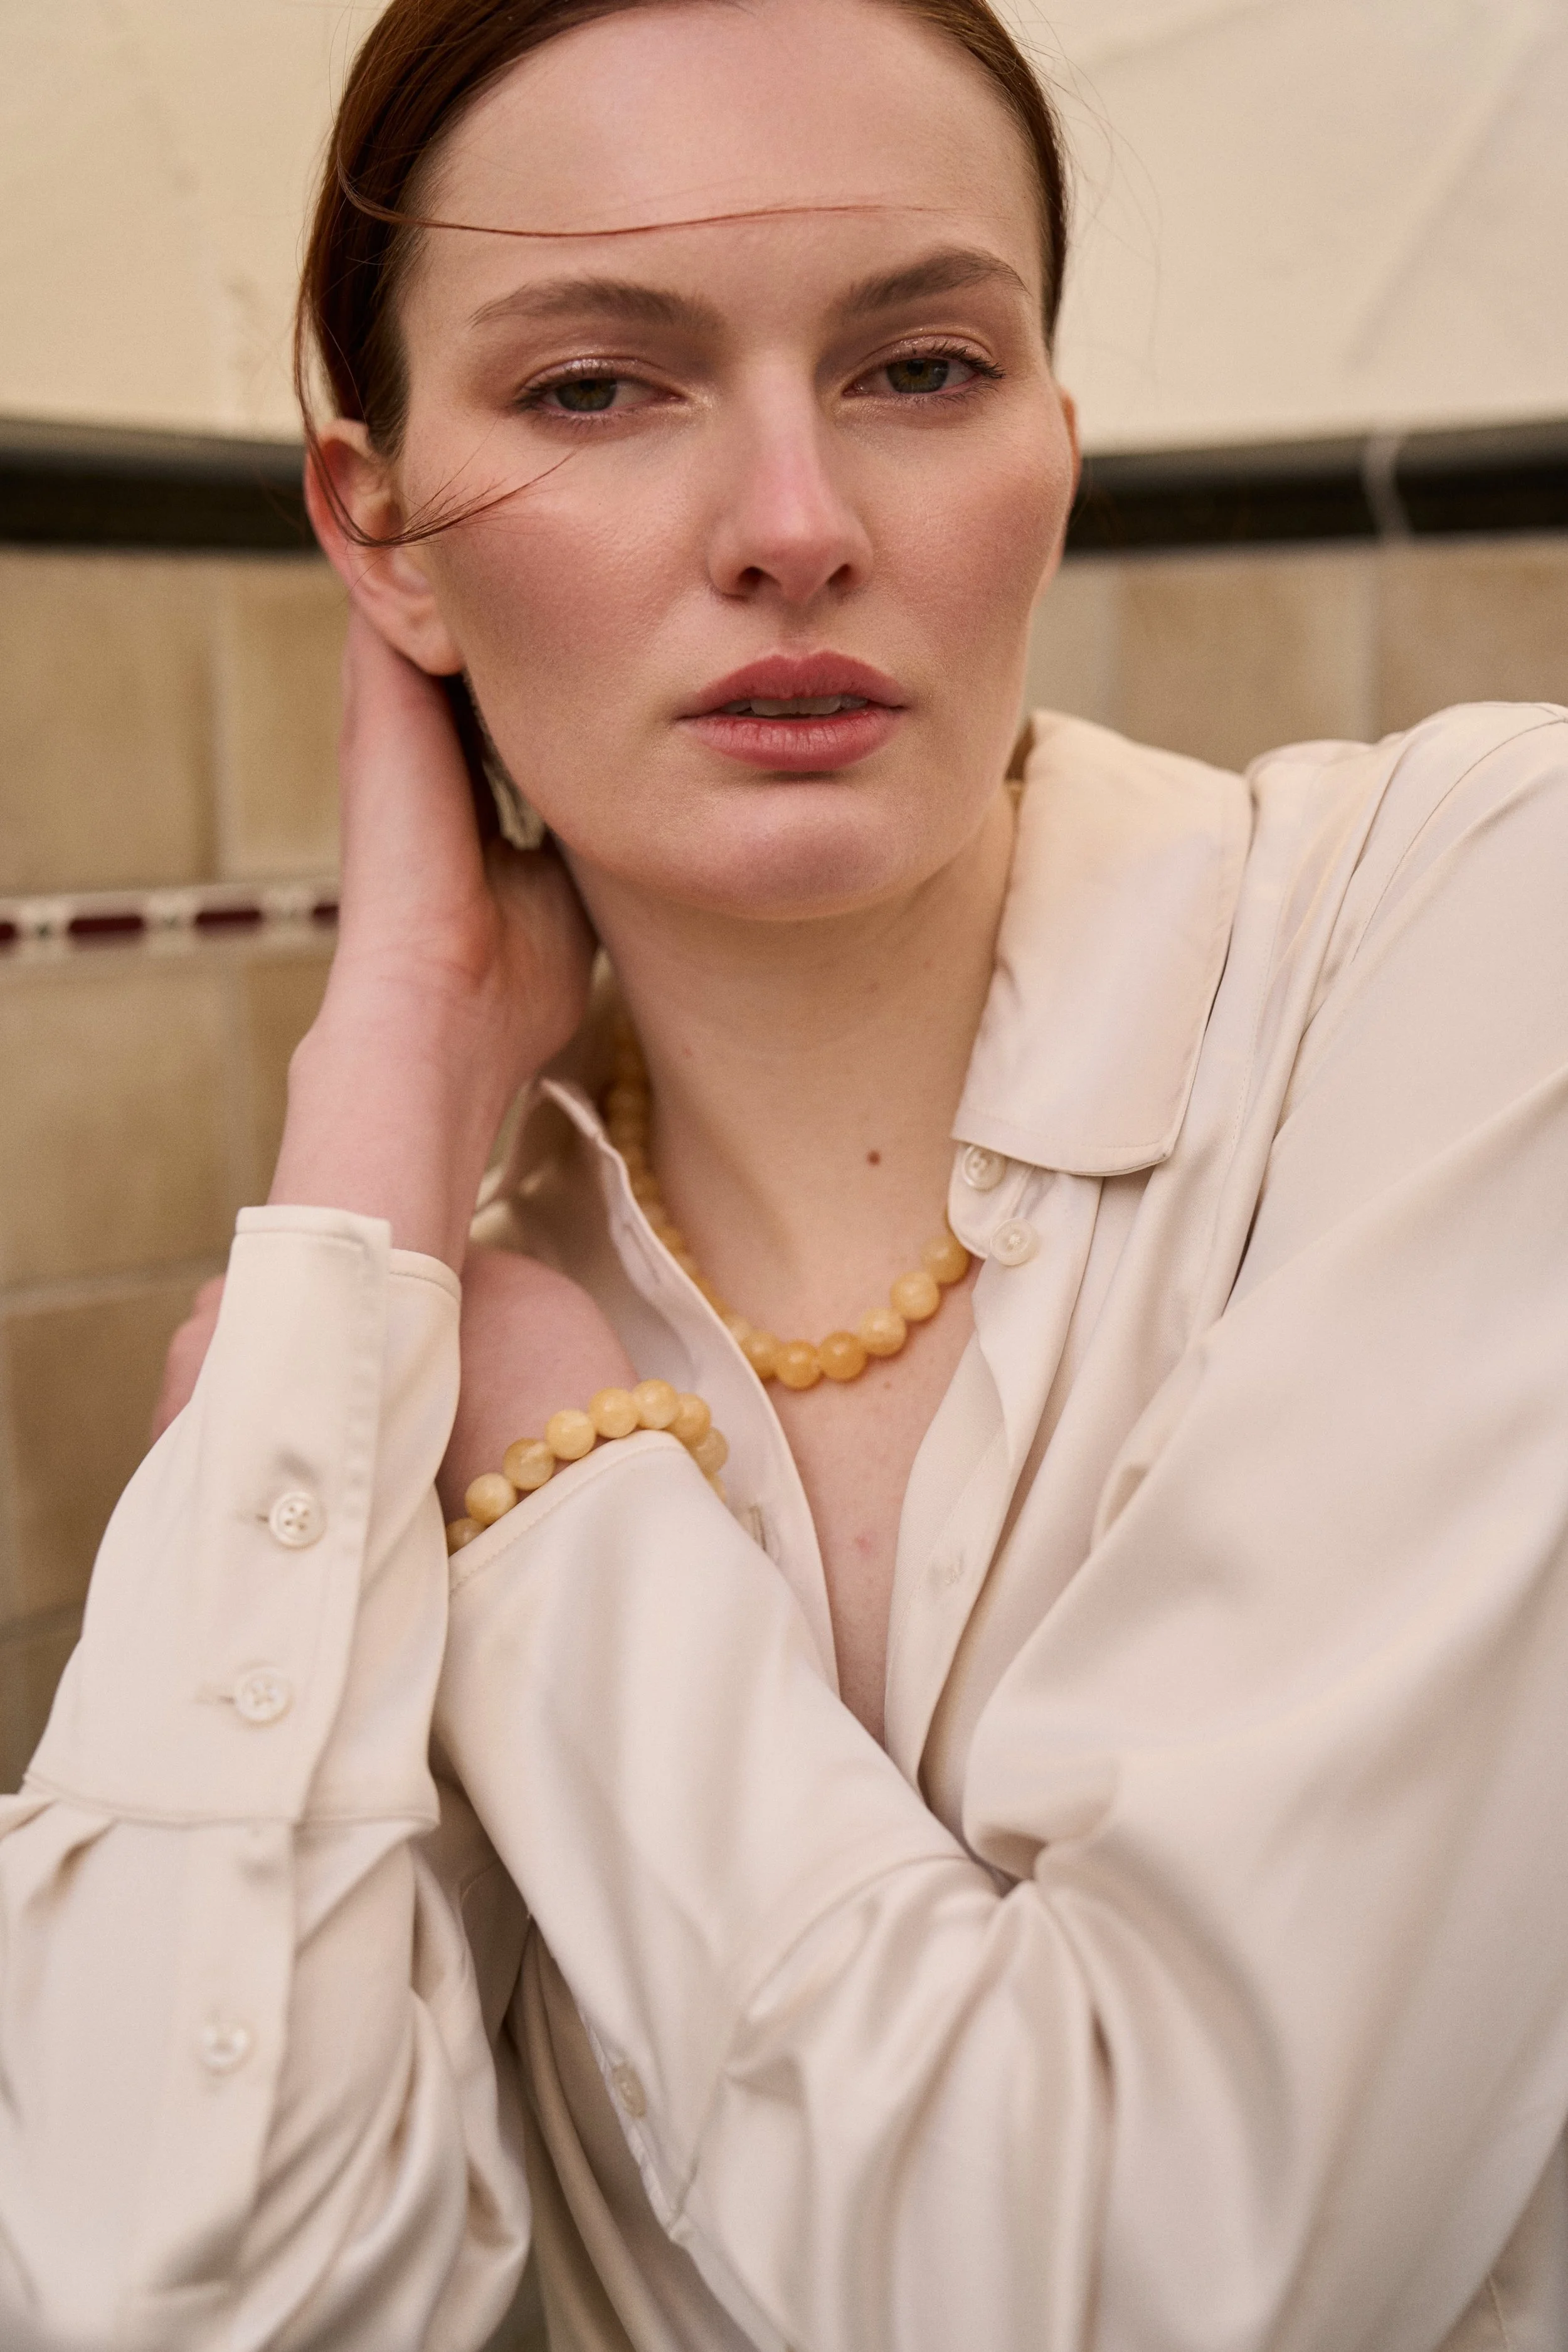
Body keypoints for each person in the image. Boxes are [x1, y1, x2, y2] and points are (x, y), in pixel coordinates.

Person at [4, 0, 1568, 2344]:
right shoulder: (382, 1351)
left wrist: (551, 1491)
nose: (795, 530)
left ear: (1054, 429)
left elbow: (1167, 2287)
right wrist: (382, 1071)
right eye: (593, 388)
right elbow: (173, 2295)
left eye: (920, 366)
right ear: (382, 533)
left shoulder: (1468, 928)